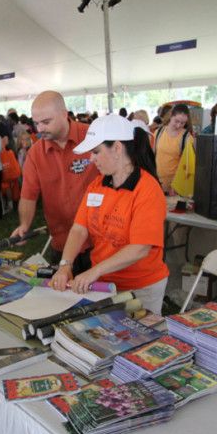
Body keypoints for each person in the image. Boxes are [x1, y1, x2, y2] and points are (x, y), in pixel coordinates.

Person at [49, 115, 169, 314]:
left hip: (141, 288)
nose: (91, 158)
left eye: (96, 152)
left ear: (118, 148)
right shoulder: (98, 185)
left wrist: (94, 272)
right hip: (104, 284)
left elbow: (139, 248)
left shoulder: (147, 189)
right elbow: (79, 229)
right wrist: (65, 265)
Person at [11, 91, 100, 273]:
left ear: (64, 114)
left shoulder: (93, 137)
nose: (40, 129)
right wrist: (24, 225)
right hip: (62, 242)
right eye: (36, 123)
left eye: (46, 122)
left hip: (100, 239)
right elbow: (28, 196)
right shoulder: (35, 154)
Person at [154, 104, 194, 194]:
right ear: (171, 116)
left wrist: (176, 186)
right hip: (157, 183)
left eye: (183, 123)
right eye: (176, 121)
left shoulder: (187, 138)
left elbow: (187, 165)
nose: (179, 125)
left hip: (175, 187)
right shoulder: (158, 132)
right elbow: (153, 155)